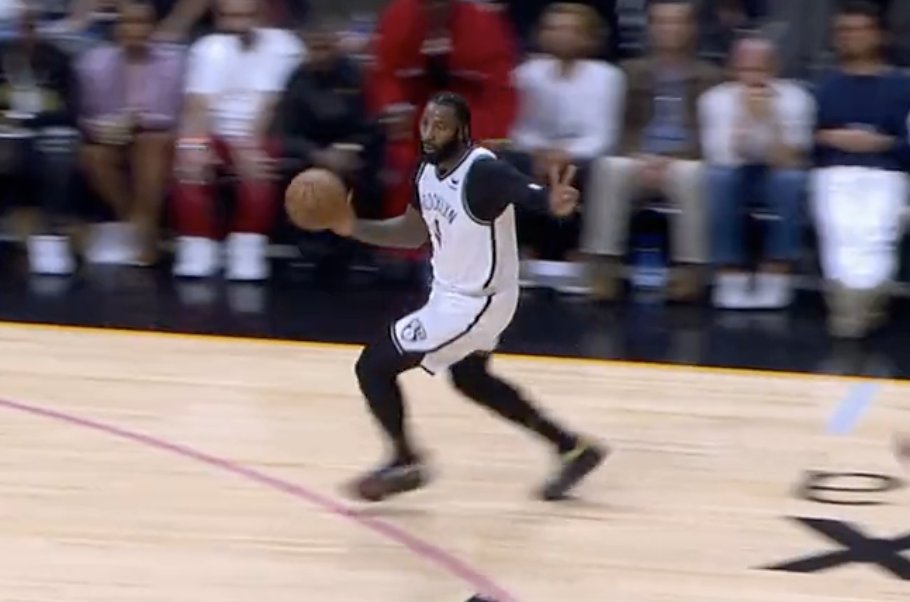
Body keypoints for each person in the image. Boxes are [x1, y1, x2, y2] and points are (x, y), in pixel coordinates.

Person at [289, 92, 607, 502]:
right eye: (426, 123)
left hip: (477, 302)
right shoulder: (426, 171)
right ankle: (572, 448)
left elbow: (531, 195)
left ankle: (405, 459)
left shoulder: (484, 171)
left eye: (440, 125)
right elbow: (412, 233)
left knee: (373, 366)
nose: (429, 131)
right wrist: (354, 227)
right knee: (472, 380)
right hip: (450, 295)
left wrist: (555, 203)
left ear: (461, 130)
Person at [581, 0, 722, 302]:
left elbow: (709, 134)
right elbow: (617, 125)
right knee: (609, 168)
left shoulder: (710, 76)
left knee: (692, 177)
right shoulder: (630, 72)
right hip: (637, 157)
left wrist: (671, 159)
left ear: (692, 28)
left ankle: (690, 271)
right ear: (650, 28)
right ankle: (602, 268)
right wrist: (639, 156)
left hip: (687, 159)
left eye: (677, 22)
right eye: (661, 22)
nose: (669, 29)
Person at [811, 0, 910, 338]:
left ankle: (862, 301)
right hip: (833, 171)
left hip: (886, 172)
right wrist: (833, 138)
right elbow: (810, 139)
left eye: (859, 30)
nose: (851, 37)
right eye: (844, 30)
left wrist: (880, 144)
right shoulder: (825, 86)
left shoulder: (902, 87)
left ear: (879, 35)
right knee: (839, 229)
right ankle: (848, 303)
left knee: (873, 231)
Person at [699, 36, 813, 309]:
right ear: (733, 69)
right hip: (735, 174)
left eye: (761, 69)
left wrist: (769, 119)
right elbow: (721, 157)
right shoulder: (714, 99)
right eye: (746, 70)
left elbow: (792, 160)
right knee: (718, 179)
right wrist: (744, 119)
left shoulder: (797, 99)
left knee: (791, 181)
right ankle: (729, 271)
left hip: (776, 175)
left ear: (775, 69)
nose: (754, 79)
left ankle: (777, 269)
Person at [78, 0, 185, 266]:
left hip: (159, 136)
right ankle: (140, 228)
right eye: (127, 23)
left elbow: (174, 114)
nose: (134, 29)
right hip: (113, 137)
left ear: (153, 28)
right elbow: (85, 115)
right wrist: (103, 128)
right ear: (117, 28)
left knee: (149, 146)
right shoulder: (94, 63)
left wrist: (137, 120)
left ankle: (142, 233)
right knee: (93, 156)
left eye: (141, 23)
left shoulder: (173, 63)